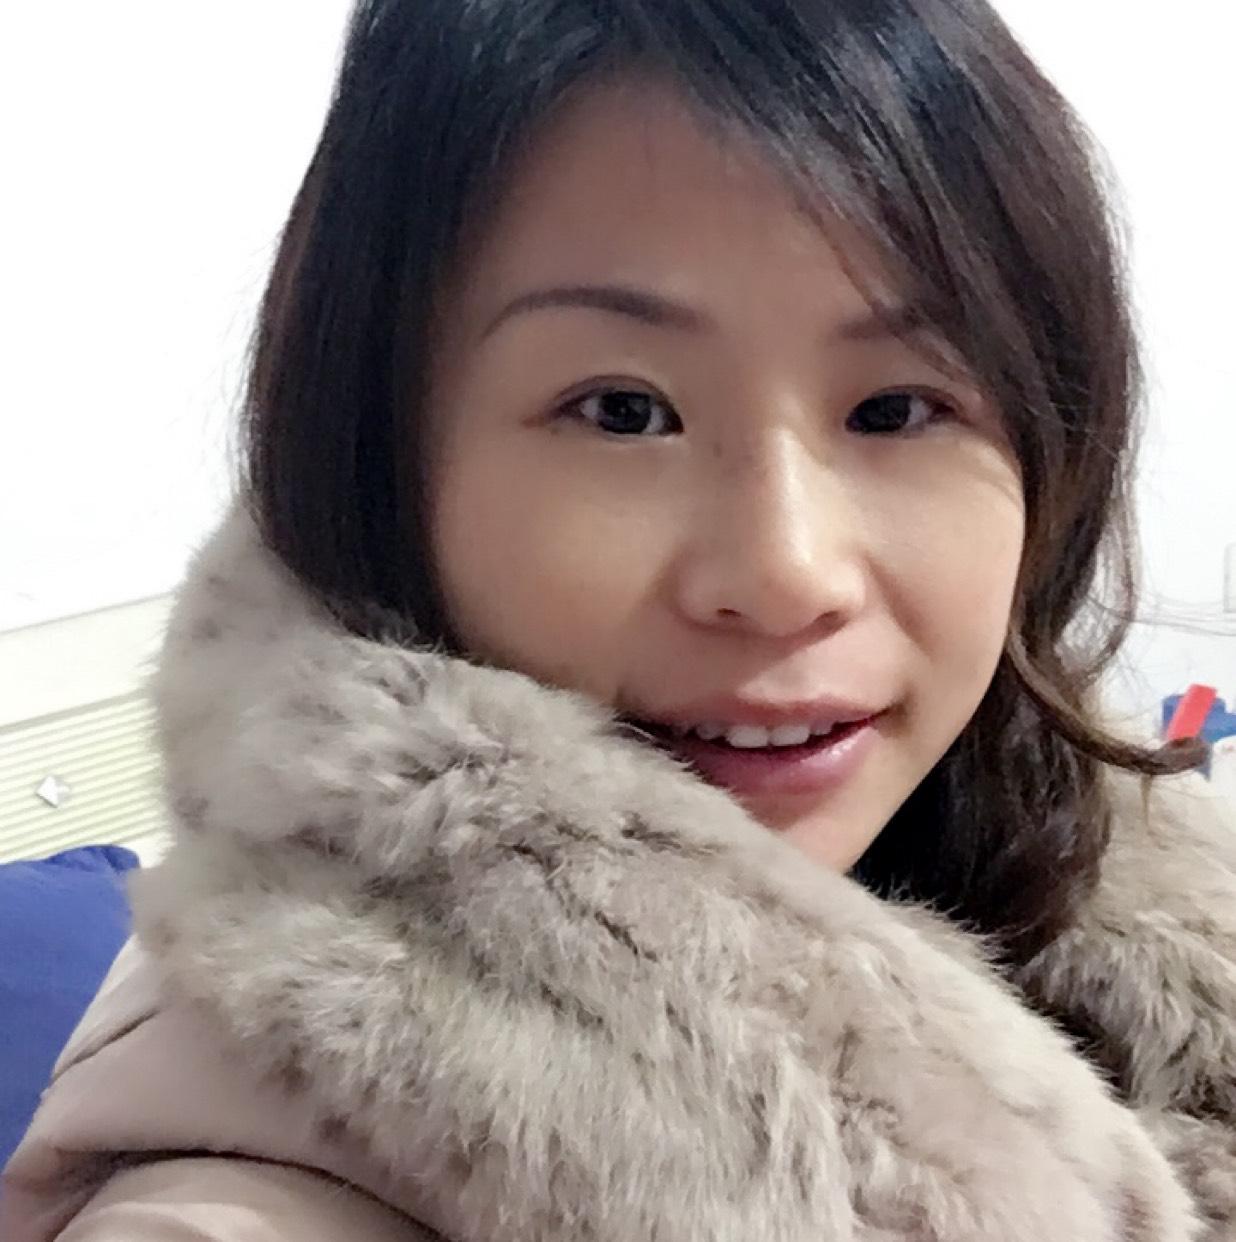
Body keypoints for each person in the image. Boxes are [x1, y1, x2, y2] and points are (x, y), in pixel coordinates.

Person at [4, 0, 1235, 1237]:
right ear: (382, 459)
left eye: (898, 409)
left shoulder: (1086, 845)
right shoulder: (237, 1196)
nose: (787, 574)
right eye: (622, 411)